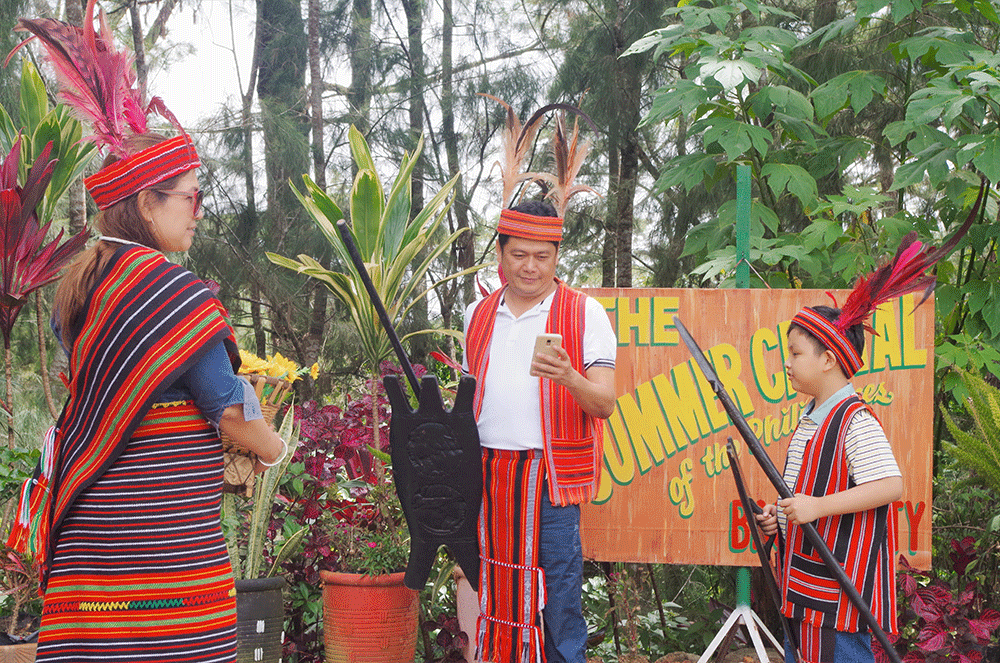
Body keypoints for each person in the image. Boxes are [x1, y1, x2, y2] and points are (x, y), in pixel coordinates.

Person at [7, 5, 285, 661]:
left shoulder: (75, 292)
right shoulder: (176, 297)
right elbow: (230, 415)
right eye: (187, 195)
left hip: (91, 556)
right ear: (146, 204)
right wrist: (274, 446)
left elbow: (114, 403)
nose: (197, 211)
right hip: (162, 562)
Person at [463, 198, 616, 663]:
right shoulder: (477, 314)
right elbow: (468, 401)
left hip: (549, 479)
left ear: (556, 257)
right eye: (518, 254)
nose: (530, 267)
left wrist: (570, 376)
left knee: (559, 598)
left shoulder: (584, 313)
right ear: (500, 255)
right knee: (495, 590)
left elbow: (605, 403)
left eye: (542, 256)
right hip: (488, 477)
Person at [756, 303, 902, 663]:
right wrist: (783, 514)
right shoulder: (811, 418)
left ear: (828, 359)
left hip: (837, 602)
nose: (787, 362)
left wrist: (817, 507)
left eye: (795, 353)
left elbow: (889, 484)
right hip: (805, 594)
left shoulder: (854, 420)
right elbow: (805, 494)